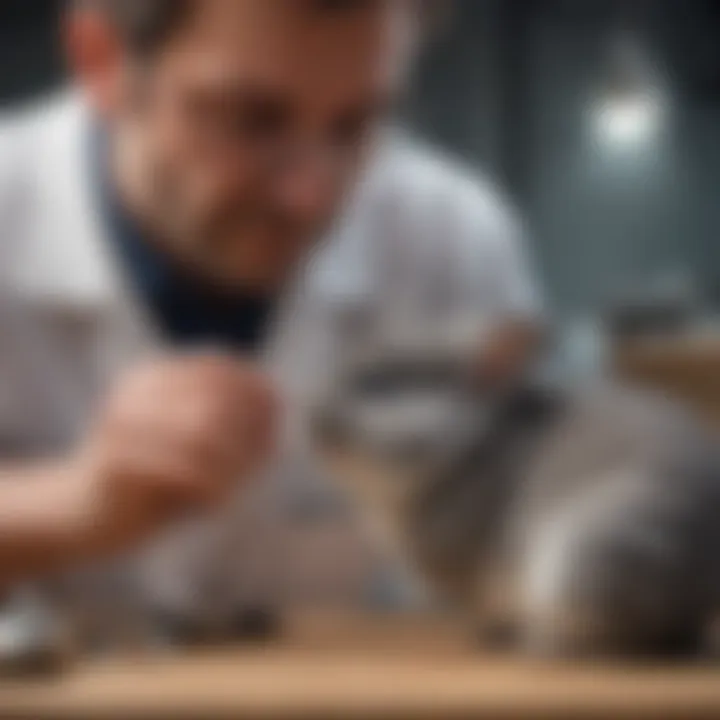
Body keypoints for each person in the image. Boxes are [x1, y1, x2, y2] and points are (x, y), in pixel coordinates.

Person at [0, 0, 543, 620]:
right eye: (250, 120)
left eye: (356, 124)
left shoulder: (454, 242)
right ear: (103, 62)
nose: (309, 193)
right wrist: (70, 501)